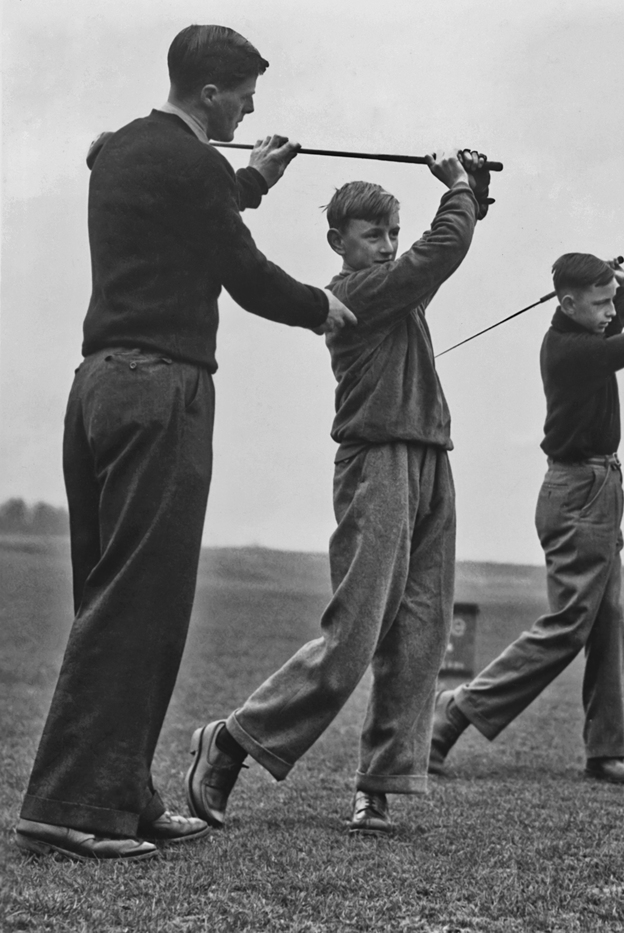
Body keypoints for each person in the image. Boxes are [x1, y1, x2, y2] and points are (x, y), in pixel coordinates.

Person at [13, 24, 356, 862]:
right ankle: (69, 806)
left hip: (97, 385)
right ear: (211, 92)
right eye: (244, 95)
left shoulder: (120, 150)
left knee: (115, 592)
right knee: (144, 599)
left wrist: (252, 180)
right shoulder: (195, 167)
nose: (251, 108)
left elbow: (188, 214)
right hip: (163, 387)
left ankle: (122, 793)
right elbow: (240, 272)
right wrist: (323, 307)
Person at [185, 151, 492, 835]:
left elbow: (441, 253)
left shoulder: (395, 283)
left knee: (421, 633)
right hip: (376, 463)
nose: (386, 245)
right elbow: (438, 254)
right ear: (338, 243)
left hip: (430, 460)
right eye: (372, 234)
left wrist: (477, 191)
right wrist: (461, 188)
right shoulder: (358, 291)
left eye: (392, 232)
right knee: (355, 633)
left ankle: (378, 785)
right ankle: (232, 738)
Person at [428, 253, 624, 786]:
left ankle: (605, 750)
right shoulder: (573, 350)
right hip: (577, 491)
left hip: (600, 486)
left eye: (611, 302)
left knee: (607, 621)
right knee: (570, 626)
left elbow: (623, 328)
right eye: (599, 304)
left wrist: (611, 288)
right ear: (567, 303)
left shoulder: (584, 336)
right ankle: (457, 709)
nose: (610, 313)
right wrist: (623, 290)